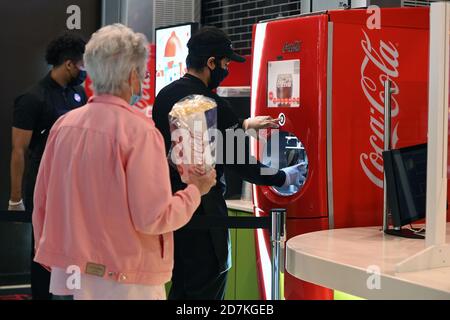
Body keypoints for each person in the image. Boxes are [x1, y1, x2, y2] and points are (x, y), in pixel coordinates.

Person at [31, 24, 216, 300]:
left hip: (73, 270)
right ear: (132, 75)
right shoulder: (139, 132)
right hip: (127, 276)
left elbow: (42, 202)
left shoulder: (63, 126)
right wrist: (195, 191)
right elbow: (154, 217)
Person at [152, 26, 305, 300]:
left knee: (183, 287)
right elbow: (243, 164)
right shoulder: (214, 105)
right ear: (211, 63)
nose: (226, 69)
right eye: (224, 63)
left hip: (173, 210)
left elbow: (200, 136)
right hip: (206, 214)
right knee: (206, 289)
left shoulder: (164, 96)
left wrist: (243, 124)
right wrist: (284, 177)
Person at [9, 32, 88, 300]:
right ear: (69, 64)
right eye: (82, 64)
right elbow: (19, 150)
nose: (84, 70)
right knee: (42, 250)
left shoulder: (78, 95)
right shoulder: (32, 98)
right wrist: (16, 197)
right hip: (42, 184)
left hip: (73, 184)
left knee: (75, 245)